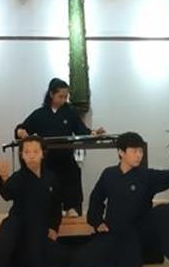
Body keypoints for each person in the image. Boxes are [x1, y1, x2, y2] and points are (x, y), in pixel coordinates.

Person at [69, 132, 169, 267]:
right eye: (134, 151)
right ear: (121, 152)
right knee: (86, 256)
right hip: (116, 233)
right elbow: (96, 199)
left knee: (162, 211)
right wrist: (97, 221)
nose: (139, 155)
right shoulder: (109, 174)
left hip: (140, 230)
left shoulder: (146, 176)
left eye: (140, 151)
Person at [0, 136, 68, 267]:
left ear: (43, 153)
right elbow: (7, 194)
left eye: (35, 151)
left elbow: (56, 206)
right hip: (18, 224)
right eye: (27, 152)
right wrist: (4, 178)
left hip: (39, 227)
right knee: (3, 243)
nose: (31, 155)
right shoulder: (19, 177)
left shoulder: (51, 178)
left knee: (56, 259)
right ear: (22, 155)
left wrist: (53, 227)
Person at [15, 78, 105, 217]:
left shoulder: (70, 113)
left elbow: (82, 130)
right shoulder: (40, 114)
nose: (64, 99)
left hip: (66, 157)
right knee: (47, 183)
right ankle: (49, 211)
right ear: (51, 94)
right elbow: (22, 128)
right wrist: (20, 131)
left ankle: (72, 208)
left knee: (73, 174)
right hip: (47, 160)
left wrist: (93, 133)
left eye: (65, 97)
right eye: (60, 96)